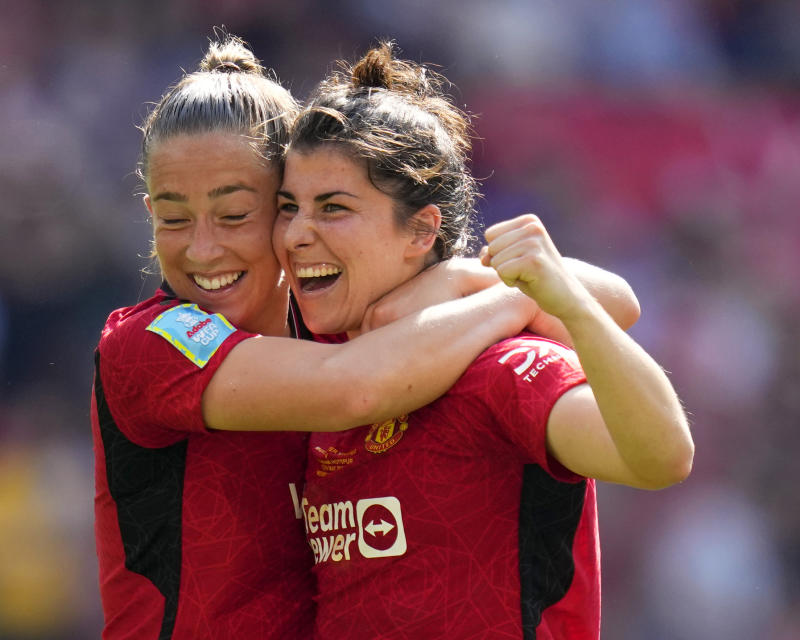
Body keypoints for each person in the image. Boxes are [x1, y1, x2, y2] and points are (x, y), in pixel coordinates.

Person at [92, 34, 639, 639]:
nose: (202, 247)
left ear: (284, 208)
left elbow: (616, 303)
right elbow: (353, 389)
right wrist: (500, 292)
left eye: (235, 215)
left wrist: (461, 278)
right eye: (172, 218)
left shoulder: (336, 331)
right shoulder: (153, 342)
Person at [275, 42, 694, 640]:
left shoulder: (501, 367)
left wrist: (565, 302)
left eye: (333, 208)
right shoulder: (313, 369)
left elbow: (663, 457)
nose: (297, 234)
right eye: (289, 207)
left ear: (421, 229)